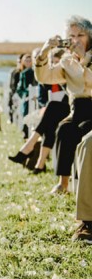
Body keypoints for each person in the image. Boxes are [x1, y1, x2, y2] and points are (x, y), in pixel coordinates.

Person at [34, 15, 92, 194]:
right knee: (64, 130)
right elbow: (46, 77)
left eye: (80, 35)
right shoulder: (67, 60)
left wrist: (85, 59)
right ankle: (63, 183)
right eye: (71, 36)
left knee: (84, 132)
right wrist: (44, 53)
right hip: (78, 108)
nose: (75, 40)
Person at [8, 50, 69, 173]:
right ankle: (39, 164)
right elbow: (41, 98)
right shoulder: (46, 79)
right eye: (53, 63)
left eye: (58, 63)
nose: (55, 66)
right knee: (49, 123)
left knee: (51, 111)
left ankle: (29, 148)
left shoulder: (68, 77)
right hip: (49, 109)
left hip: (67, 108)